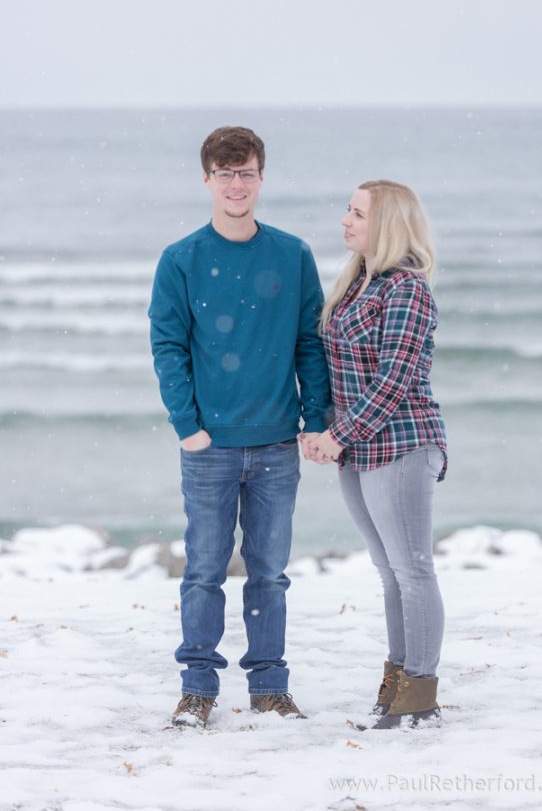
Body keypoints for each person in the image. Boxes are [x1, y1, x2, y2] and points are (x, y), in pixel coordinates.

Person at [148, 126, 330, 728]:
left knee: (270, 573)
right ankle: (197, 688)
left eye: (245, 172)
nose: (236, 184)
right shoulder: (181, 259)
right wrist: (187, 426)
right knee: (203, 570)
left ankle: (269, 688)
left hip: (278, 443)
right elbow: (168, 346)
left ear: (261, 177)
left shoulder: (292, 254)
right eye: (224, 174)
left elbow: (310, 341)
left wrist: (315, 419)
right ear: (206, 180)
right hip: (209, 447)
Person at [305, 180, 447, 729]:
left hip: (403, 444)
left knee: (412, 571)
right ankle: (398, 679)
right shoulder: (356, 283)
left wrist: (338, 437)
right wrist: (319, 430)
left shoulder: (406, 289)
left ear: (385, 224)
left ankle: (421, 695)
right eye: (348, 210)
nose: (345, 220)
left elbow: (394, 380)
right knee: (390, 573)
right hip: (359, 448)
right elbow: (339, 372)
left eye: (357, 213)